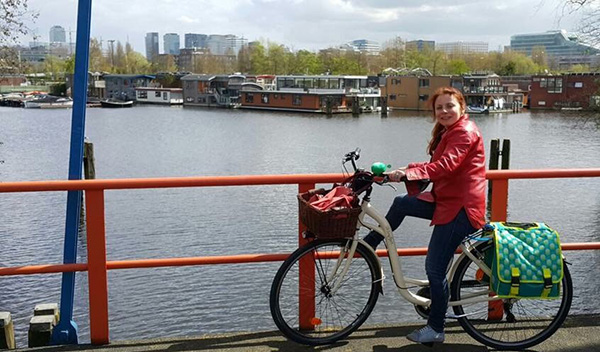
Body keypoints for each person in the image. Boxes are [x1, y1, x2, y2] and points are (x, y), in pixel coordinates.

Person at [363, 86, 486, 344]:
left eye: (449, 106)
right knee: (401, 203)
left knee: (434, 268)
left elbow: (446, 166)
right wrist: (402, 169)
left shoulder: (464, 132)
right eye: (439, 107)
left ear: (461, 107)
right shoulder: (450, 131)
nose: (444, 111)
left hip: (460, 209)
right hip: (447, 200)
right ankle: (370, 245)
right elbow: (436, 166)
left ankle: (436, 328)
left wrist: (408, 174)